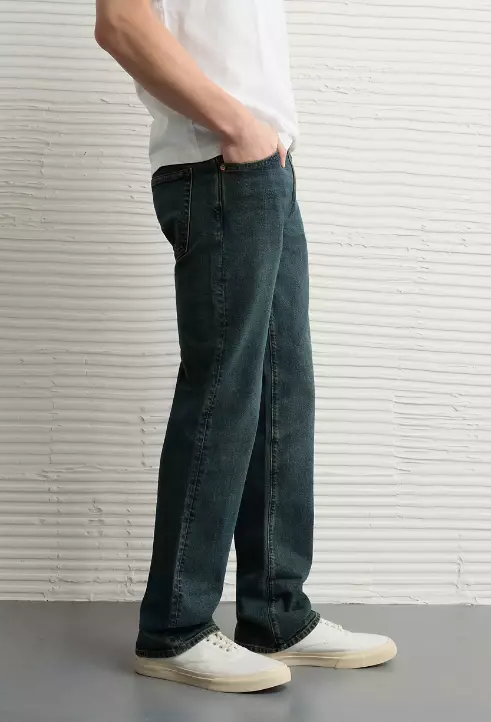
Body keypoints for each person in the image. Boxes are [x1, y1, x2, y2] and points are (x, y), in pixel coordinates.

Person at [94, 0, 397, 693]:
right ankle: (173, 630)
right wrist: (237, 127)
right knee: (223, 395)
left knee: (283, 394)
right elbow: (120, 24)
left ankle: (277, 613)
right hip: (220, 165)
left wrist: (262, 141)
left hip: (262, 166)